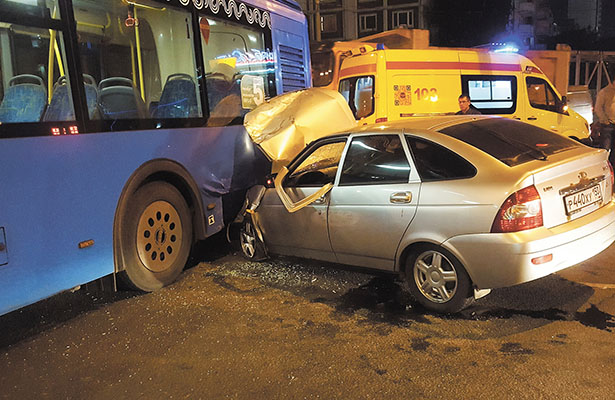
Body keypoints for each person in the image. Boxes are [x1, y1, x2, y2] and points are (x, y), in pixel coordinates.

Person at [594, 80, 615, 166]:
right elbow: (598, 108)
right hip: (608, 125)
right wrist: (605, 121)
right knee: (605, 149)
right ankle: (603, 167)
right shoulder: (604, 92)